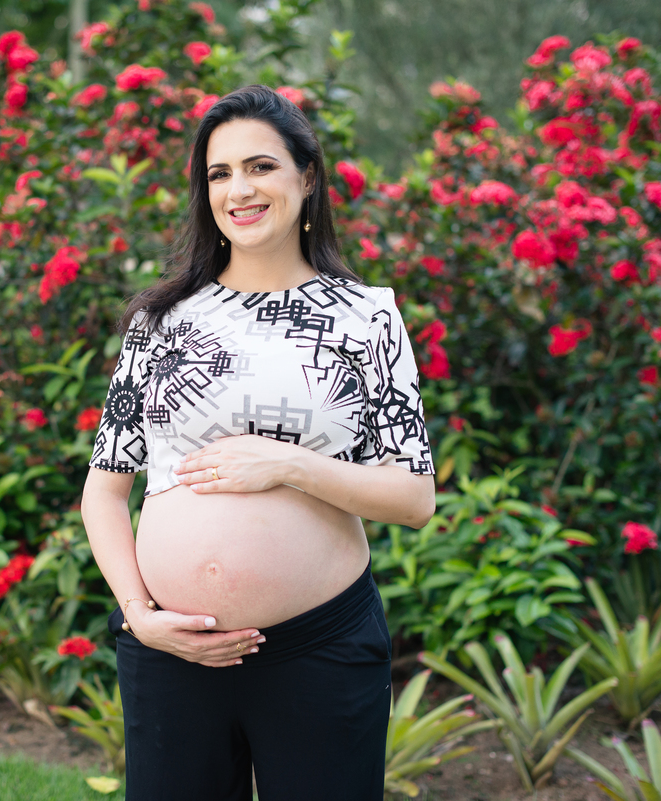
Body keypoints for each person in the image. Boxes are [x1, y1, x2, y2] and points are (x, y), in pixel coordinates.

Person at [81, 84, 436, 801]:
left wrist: (292, 465)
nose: (239, 189)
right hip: (168, 653)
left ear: (306, 177)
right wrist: (141, 617)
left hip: (319, 649)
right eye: (220, 173)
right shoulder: (161, 321)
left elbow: (414, 496)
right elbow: (105, 488)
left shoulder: (365, 319)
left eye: (260, 166)